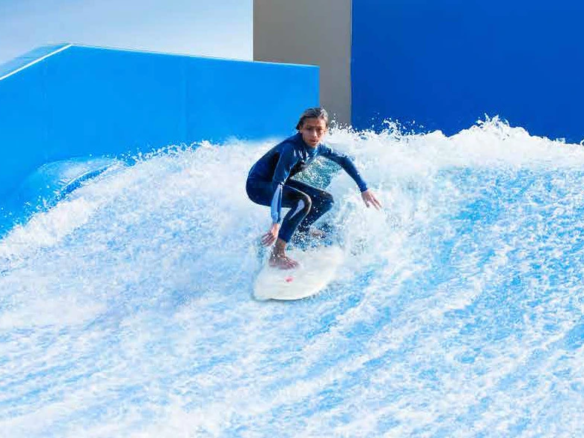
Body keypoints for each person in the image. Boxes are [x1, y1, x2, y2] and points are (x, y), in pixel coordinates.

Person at [246, 107, 382, 269]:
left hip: (276, 182)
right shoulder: (292, 149)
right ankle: (277, 255)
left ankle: (300, 231)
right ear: (300, 129)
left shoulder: (320, 147)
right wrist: (275, 222)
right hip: (258, 186)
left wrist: (364, 188)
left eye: (319, 130)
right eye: (309, 129)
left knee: (325, 200)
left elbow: (343, 159)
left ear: (325, 131)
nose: (314, 135)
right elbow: (278, 184)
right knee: (303, 202)